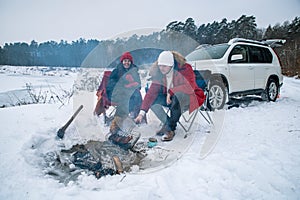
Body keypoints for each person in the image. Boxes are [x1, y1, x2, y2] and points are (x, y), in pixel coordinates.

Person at [135, 51, 206, 141]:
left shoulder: (185, 69)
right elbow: (151, 94)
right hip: (171, 99)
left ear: (171, 64)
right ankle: (167, 123)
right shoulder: (159, 73)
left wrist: (171, 91)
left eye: (164, 66)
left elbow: (190, 87)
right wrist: (141, 113)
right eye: (160, 66)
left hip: (189, 97)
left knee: (178, 96)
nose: (162, 68)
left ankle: (170, 129)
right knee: (153, 100)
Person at [105, 52, 143, 136]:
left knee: (134, 97)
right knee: (125, 99)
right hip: (117, 93)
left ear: (131, 62)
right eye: (125, 60)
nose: (127, 63)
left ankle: (120, 121)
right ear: (122, 61)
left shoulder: (134, 71)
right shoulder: (117, 71)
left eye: (128, 61)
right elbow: (111, 84)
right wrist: (123, 85)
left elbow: (139, 84)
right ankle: (117, 124)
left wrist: (132, 84)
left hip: (130, 95)